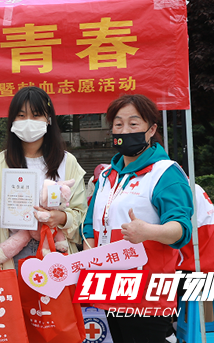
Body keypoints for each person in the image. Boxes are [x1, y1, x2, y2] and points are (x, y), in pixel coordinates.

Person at [83, 94, 193, 343]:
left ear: (151, 129)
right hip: (108, 286)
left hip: (147, 291)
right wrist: (86, 259)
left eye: (133, 124)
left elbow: (181, 228)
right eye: (118, 124)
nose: (124, 131)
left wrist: (149, 232)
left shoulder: (166, 173)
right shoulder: (106, 176)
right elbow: (90, 225)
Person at [0, 87, 87, 273]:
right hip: (11, 254)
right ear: (12, 120)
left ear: (49, 119)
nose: (28, 122)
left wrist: (61, 217)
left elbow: (81, 213)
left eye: (36, 115)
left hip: (55, 250)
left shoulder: (67, 162)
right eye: (21, 116)